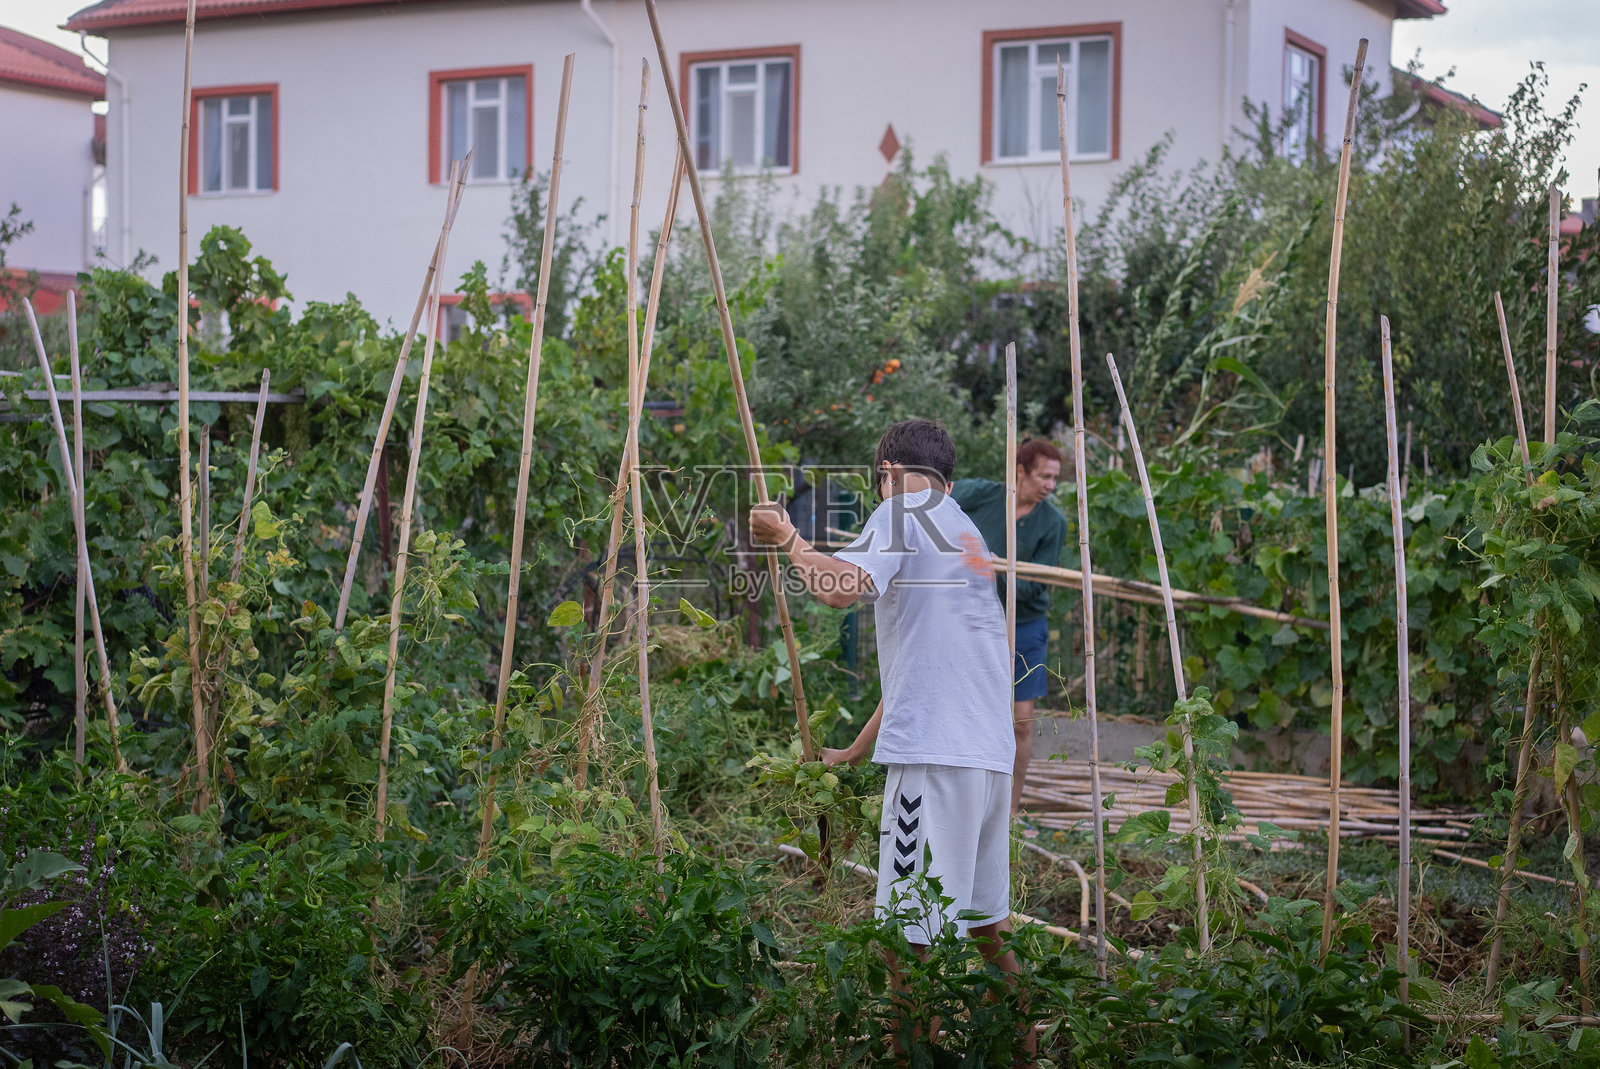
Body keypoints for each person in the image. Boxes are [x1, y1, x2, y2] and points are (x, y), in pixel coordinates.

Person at [747, 418, 1022, 993]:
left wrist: (788, 539)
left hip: (936, 760)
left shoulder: (903, 511)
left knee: (908, 941)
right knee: (988, 931)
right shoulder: (967, 535)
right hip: (987, 758)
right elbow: (926, 670)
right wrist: (853, 750)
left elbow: (840, 588)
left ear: (889, 473)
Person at [951, 439, 1067, 815]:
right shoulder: (982, 496)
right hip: (971, 622)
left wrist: (998, 568)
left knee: (1021, 723)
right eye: (1044, 476)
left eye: (1055, 478)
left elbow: (1037, 587)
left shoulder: (1053, 523)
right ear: (1021, 471)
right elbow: (939, 500)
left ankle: (1010, 812)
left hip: (1024, 627)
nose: (1051, 485)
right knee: (965, 711)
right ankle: (963, 802)